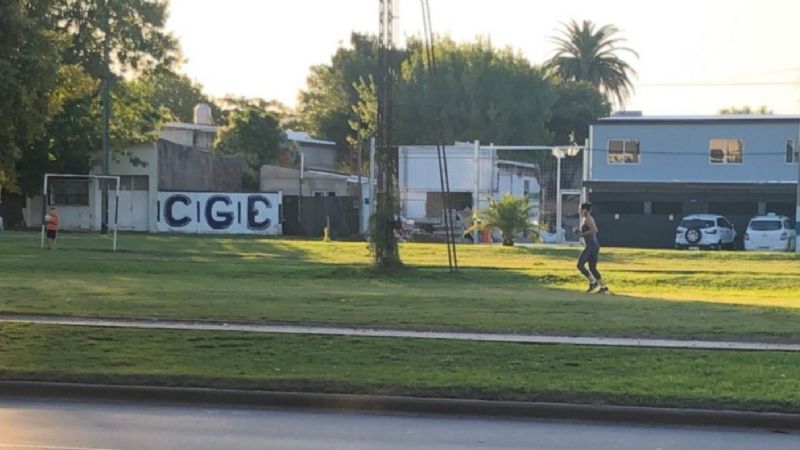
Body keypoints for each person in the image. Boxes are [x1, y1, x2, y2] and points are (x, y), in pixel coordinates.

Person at [573, 203, 608, 294]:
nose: (579, 211)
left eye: (580, 209)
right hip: (592, 245)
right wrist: (578, 231)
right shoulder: (584, 219)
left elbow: (595, 230)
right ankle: (603, 287)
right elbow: (587, 231)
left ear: (585, 210)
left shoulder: (588, 219)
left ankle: (593, 282)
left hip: (592, 245)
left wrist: (581, 234)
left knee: (580, 265)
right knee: (592, 268)